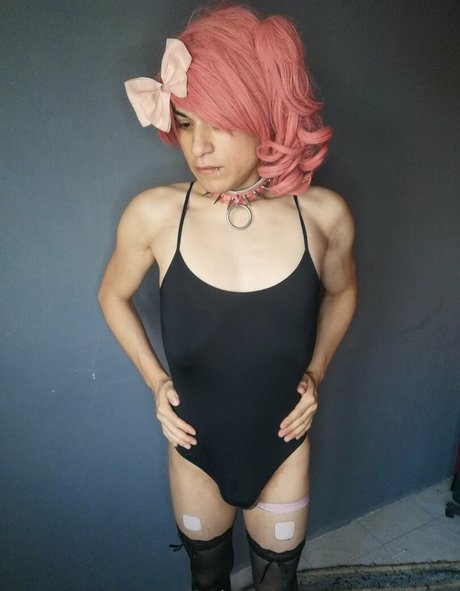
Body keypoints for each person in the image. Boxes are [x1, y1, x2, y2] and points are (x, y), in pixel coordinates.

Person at [98, 5, 357, 591]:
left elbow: (343, 294)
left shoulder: (323, 216)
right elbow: (112, 295)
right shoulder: (155, 215)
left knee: (277, 584)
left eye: (222, 124)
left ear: (264, 117)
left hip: (283, 447)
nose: (201, 147)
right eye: (187, 123)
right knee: (207, 578)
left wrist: (316, 372)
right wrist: (156, 384)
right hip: (194, 448)